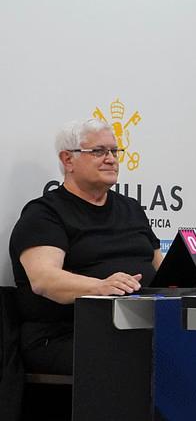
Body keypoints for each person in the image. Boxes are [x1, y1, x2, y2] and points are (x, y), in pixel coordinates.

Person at [9, 118, 163, 375]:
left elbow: (162, 268)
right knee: (140, 360)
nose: (111, 159)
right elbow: (44, 279)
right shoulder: (45, 214)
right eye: (99, 151)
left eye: (114, 151)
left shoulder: (131, 209)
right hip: (65, 335)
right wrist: (100, 286)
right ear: (68, 160)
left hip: (139, 327)